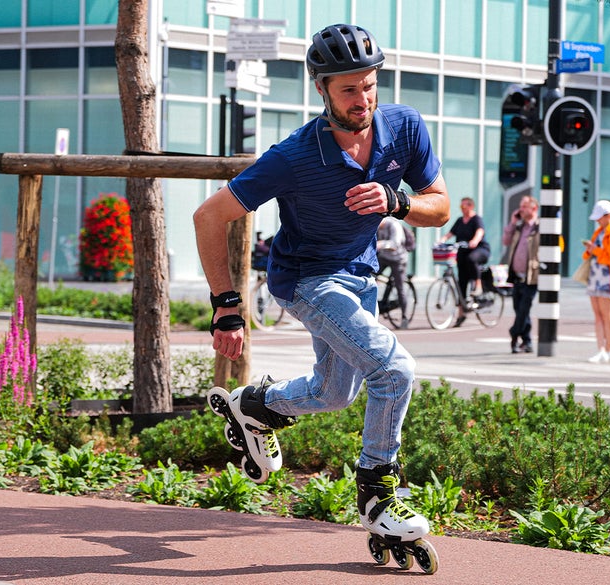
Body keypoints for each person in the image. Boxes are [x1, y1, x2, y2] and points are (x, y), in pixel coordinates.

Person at [194, 24, 449, 544]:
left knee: (334, 394)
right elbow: (207, 216)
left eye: (370, 84)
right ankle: (378, 494)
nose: (364, 99)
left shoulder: (405, 128)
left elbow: (439, 207)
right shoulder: (294, 156)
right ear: (322, 88)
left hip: (360, 275)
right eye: (348, 89)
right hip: (308, 280)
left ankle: (256, 406)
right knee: (394, 368)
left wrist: (397, 202)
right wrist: (226, 306)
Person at [438, 197, 491, 327]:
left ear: (471, 206)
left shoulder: (476, 219)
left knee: (472, 259)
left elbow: (480, 231)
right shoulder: (460, 220)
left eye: (464, 207)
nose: (462, 209)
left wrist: (475, 241)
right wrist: (443, 239)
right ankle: (461, 313)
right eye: (461, 207)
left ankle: (478, 285)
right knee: (461, 282)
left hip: (479, 250)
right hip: (463, 252)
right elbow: (451, 233)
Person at [583, 200, 610, 364]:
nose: (598, 221)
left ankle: (609, 349)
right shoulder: (600, 231)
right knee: (598, 315)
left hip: (607, 277)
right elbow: (592, 253)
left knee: (606, 315)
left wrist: (595, 250)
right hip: (595, 275)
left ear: (609, 216)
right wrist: (589, 249)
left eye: (600, 217)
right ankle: (600, 349)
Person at [502, 196, 540, 353]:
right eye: (520, 206)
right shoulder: (519, 227)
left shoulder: (541, 228)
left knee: (524, 308)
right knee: (520, 310)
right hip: (516, 276)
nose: (521, 210)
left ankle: (514, 333)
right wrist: (512, 222)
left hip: (532, 277)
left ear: (534, 208)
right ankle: (527, 341)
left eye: (524, 206)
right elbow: (505, 241)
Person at [376, 216, 415, 329]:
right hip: (384, 257)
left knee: (400, 287)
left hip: (398, 259)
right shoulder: (377, 227)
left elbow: (395, 244)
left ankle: (404, 317)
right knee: (370, 276)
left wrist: (380, 244)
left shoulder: (393, 225)